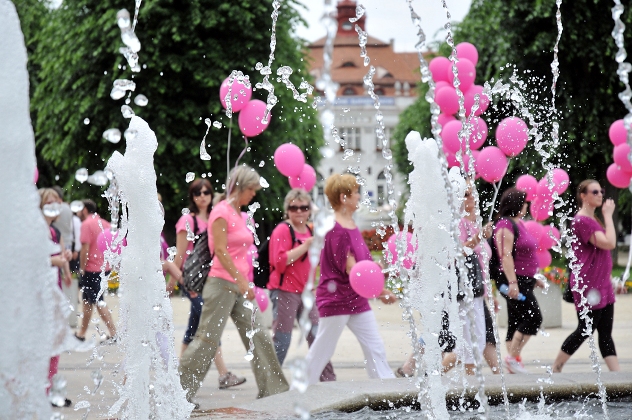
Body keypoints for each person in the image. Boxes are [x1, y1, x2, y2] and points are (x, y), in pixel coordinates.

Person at [179, 165, 288, 406]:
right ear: (240, 187)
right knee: (206, 341)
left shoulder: (239, 213)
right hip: (221, 285)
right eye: (252, 189)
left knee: (259, 335)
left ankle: (275, 392)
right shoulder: (221, 212)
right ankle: (177, 395)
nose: (254, 194)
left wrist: (244, 281)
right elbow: (219, 250)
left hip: (239, 287)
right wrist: (241, 280)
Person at [304, 173, 397, 386]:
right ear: (344, 198)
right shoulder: (336, 229)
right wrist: (381, 291)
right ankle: (298, 394)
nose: (359, 197)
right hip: (336, 300)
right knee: (322, 350)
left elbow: (361, 265)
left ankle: (386, 389)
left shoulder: (350, 224)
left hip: (356, 298)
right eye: (355, 193)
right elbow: (352, 270)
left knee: (375, 347)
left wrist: (377, 271)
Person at [167, 179, 245, 390]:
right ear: (192, 197)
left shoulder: (215, 216)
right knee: (209, 325)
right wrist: (175, 281)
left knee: (196, 327)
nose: (202, 196)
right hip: (192, 280)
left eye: (206, 192)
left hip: (212, 279)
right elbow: (180, 255)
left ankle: (180, 375)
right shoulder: (187, 221)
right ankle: (223, 374)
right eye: (197, 193)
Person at [552, 180, 624, 373]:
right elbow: (609, 243)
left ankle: (616, 375)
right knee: (585, 329)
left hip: (602, 285)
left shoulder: (592, 219)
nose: (600, 194)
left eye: (601, 191)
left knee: (605, 333)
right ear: (583, 196)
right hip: (589, 286)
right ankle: (556, 368)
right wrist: (608, 216)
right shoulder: (581, 220)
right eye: (595, 191)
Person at [268, 188, 335, 381]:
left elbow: (318, 261)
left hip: (305, 292)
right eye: (294, 207)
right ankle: (271, 382)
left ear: (309, 210)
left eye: (304, 207)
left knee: (317, 336)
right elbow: (279, 262)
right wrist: (304, 246)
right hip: (284, 292)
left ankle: (328, 380)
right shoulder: (283, 230)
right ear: (287, 210)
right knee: (283, 339)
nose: (299, 211)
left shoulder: (311, 230)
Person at [493, 187, 543, 374]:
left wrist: (534, 278)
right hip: (513, 281)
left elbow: (524, 254)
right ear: (516, 204)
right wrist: (513, 283)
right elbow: (505, 255)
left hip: (523, 280)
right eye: (524, 202)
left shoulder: (517, 223)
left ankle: (514, 364)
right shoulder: (505, 225)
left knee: (516, 321)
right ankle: (512, 358)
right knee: (534, 317)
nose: (527, 204)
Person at [39, 188, 73, 407]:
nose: (55, 206)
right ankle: (40, 391)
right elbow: (32, 260)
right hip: (39, 296)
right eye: (50, 203)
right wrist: (57, 261)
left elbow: (59, 256)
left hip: (54, 294)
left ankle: (49, 389)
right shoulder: (37, 230)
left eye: (57, 202)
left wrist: (65, 262)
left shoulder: (55, 231)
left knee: (55, 344)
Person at [75, 199, 117, 341]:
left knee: (98, 301)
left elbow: (85, 249)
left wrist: (81, 268)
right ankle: (81, 333)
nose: (78, 212)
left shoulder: (86, 224)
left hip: (91, 269)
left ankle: (114, 333)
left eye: (80, 209)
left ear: (85, 209)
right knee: (88, 301)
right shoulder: (104, 223)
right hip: (103, 268)